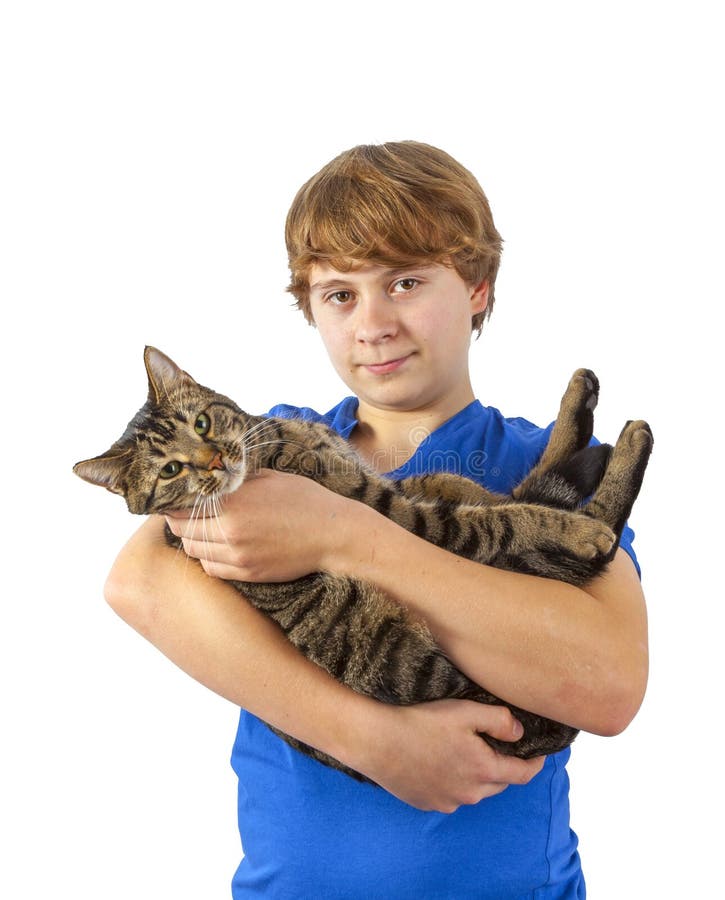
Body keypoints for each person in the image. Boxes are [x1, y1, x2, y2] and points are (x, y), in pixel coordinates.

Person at [105, 141, 648, 898]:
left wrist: (343, 534)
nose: (374, 324)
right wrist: (371, 741)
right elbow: (139, 582)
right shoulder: (263, 449)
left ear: (478, 287)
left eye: (404, 282)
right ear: (310, 309)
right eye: (339, 295)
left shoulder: (542, 462)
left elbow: (606, 685)